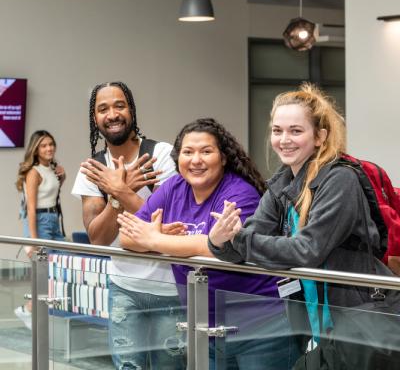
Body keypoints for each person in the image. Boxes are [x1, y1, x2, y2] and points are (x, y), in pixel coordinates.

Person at [207, 84, 400, 367]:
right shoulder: (281, 186)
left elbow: (307, 250)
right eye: (277, 130)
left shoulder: (340, 180)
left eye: (296, 131)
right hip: (314, 323)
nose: (284, 139)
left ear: (320, 136)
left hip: (358, 321)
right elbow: (240, 248)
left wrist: (237, 238)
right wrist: (219, 241)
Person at [117, 118, 299, 370]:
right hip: (207, 328)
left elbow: (221, 249)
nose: (196, 160)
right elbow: (127, 237)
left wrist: (156, 239)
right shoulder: (173, 187)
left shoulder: (239, 192)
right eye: (187, 152)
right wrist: (163, 241)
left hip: (261, 328)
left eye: (206, 151)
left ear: (223, 157)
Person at [71, 81, 185, 370]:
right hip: (123, 288)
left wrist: (119, 191)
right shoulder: (93, 169)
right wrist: (118, 196)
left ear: (131, 110)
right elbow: (98, 238)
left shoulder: (161, 155)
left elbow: (170, 225)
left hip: (169, 288)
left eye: (119, 105)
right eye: (103, 109)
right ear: (94, 118)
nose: (112, 114)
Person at [15, 130, 66, 329]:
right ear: (36, 149)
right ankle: (29, 310)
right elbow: (31, 208)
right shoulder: (33, 172)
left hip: (54, 220)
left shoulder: (51, 169)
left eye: (51, 144)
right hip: (41, 221)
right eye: (44, 145)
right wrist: (34, 240)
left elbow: (51, 194)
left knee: (60, 265)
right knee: (46, 270)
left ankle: (32, 310)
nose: (49, 148)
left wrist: (63, 177)